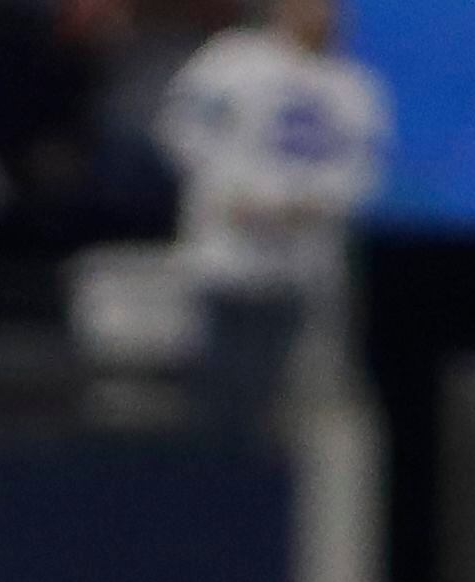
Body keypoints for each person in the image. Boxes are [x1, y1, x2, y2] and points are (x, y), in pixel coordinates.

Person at [154, 0, 386, 447]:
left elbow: (364, 173)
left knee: (278, 405)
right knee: (213, 391)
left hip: (299, 271)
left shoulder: (353, 87)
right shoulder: (233, 60)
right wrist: (232, 192)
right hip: (225, 257)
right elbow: (178, 128)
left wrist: (302, 205)